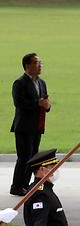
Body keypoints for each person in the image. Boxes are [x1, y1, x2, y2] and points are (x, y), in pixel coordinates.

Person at [10, 53, 50, 197]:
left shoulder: (41, 83)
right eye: (37, 63)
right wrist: (37, 103)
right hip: (24, 127)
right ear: (28, 66)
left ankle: (26, 185)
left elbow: (44, 100)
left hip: (37, 126)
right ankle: (16, 186)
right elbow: (18, 103)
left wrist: (47, 105)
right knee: (24, 157)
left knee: (33, 156)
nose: (40, 65)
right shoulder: (19, 83)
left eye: (40, 63)